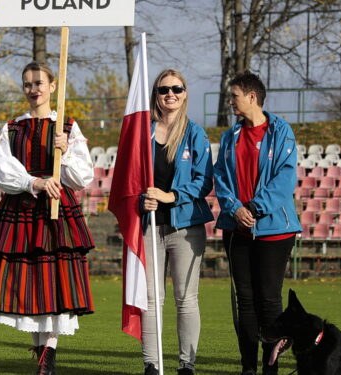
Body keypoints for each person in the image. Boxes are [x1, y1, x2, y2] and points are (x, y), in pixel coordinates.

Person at [0, 61, 95, 375]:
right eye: (28, 84)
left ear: (52, 86)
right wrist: (34, 182)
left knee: (56, 281)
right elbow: (3, 170)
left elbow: (83, 176)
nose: (34, 90)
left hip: (58, 210)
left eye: (39, 83)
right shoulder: (12, 127)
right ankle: (41, 353)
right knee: (28, 282)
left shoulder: (67, 126)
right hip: (23, 208)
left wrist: (66, 149)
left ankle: (50, 355)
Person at [213, 71, 302, 375]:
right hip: (236, 229)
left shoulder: (282, 132)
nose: (230, 102)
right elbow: (221, 178)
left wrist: (254, 207)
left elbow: (285, 178)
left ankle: (270, 368)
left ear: (252, 96)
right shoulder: (229, 137)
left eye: (234, 96)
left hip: (275, 231)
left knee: (269, 300)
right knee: (245, 302)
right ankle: (248, 368)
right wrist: (236, 209)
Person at [140, 69, 214, 375]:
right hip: (149, 227)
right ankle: (152, 364)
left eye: (177, 88)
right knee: (150, 300)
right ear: (156, 94)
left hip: (186, 228)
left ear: (185, 93)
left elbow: (204, 181)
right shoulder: (142, 133)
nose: (170, 93)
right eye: (164, 89)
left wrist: (171, 196)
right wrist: (140, 199)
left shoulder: (195, 133)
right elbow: (130, 178)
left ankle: (187, 365)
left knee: (186, 299)